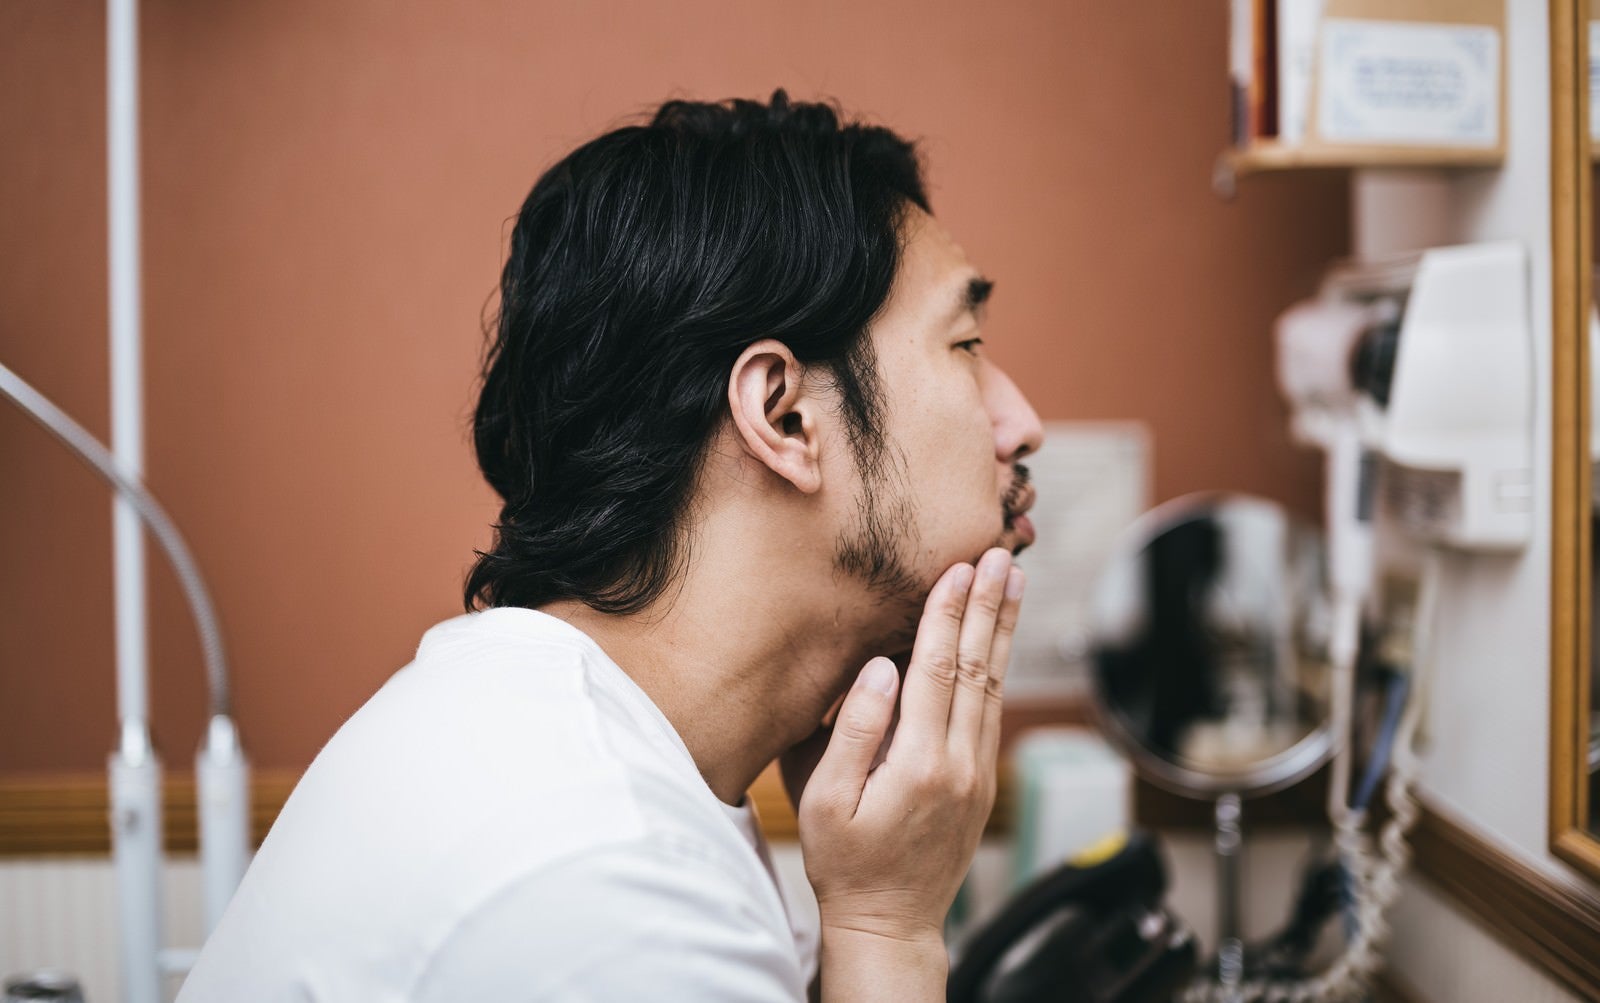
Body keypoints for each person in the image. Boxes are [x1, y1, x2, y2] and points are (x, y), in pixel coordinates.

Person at [179, 90, 1043, 1002]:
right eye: (966, 343)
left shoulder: (578, 756)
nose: (1021, 424)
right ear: (783, 415)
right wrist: (888, 930)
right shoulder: (606, 874)